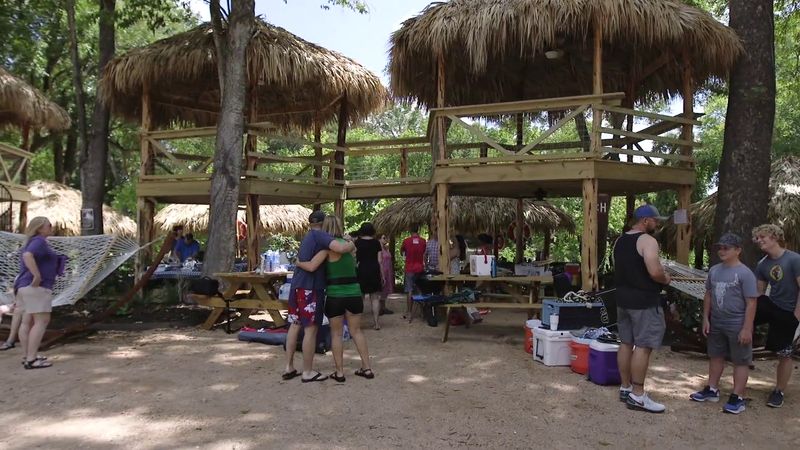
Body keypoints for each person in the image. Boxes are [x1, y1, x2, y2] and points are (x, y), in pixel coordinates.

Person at [296, 216, 373, 382]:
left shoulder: (326, 249)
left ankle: (339, 373)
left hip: (335, 295)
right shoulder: (349, 247)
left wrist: (298, 262)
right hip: (354, 292)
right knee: (356, 331)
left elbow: (311, 266)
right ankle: (367, 368)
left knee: (336, 334)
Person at [282, 210, 355, 383]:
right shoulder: (321, 236)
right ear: (323, 224)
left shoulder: (307, 236)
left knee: (294, 324)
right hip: (311, 288)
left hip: (297, 286)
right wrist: (351, 242)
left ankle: (289, 366)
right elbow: (342, 248)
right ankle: (307, 372)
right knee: (311, 329)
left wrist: (298, 263)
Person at [690, 233, 758, 414]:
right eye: (720, 247)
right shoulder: (714, 270)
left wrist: (747, 327)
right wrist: (706, 317)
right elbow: (708, 295)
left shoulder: (745, 273)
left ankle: (738, 396)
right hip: (717, 321)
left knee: (741, 360)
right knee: (715, 355)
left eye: (726, 248)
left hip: (737, 321)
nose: (722, 251)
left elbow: (752, 302)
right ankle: (712, 389)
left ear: (738, 250)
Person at [613, 204, 671, 413]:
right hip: (644, 300)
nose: (657, 224)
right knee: (643, 346)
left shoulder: (619, 241)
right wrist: (666, 278)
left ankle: (625, 387)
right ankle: (638, 395)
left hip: (622, 299)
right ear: (645, 221)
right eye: (655, 220)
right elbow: (655, 271)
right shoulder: (648, 240)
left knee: (626, 343)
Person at [751, 223, 800, 408]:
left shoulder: (794, 259)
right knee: (746, 314)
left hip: (789, 311)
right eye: (757, 238)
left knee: (783, 352)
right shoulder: (763, 264)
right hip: (772, 305)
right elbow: (759, 293)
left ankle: (778, 391)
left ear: (775, 237)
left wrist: (796, 315)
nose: (759, 240)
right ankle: (740, 348)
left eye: (763, 237)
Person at [15, 216, 66, 369]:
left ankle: (28, 355)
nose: (51, 228)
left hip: (24, 286)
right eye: (48, 225)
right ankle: (31, 359)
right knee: (41, 321)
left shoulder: (32, 242)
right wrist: (37, 275)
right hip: (36, 287)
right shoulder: (39, 241)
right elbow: (27, 256)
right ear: (39, 228)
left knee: (27, 322)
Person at [354, 222, 384, 330]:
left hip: (361, 270)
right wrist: (382, 275)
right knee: (375, 298)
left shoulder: (357, 242)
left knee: (360, 298)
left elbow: (354, 259)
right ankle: (376, 323)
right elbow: (380, 260)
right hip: (374, 270)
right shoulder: (376, 243)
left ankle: (358, 324)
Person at [400, 225, 426, 318]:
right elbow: (424, 252)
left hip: (409, 268)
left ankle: (409, 311)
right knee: (420, 289)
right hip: (419, 268)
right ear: (418, 230)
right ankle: (422, 312)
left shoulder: (406, 241)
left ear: (410, 230)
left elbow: (401, 251)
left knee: (409, 290)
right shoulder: (423, 241)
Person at [379, 234, 395, 315]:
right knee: (381, 289)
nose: (385, 240)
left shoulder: (386, 249)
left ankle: (383, 307)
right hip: (382, 271)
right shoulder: (378, 250)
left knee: (385, 290)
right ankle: (379, 308)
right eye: (384, 238)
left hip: (388, 271)